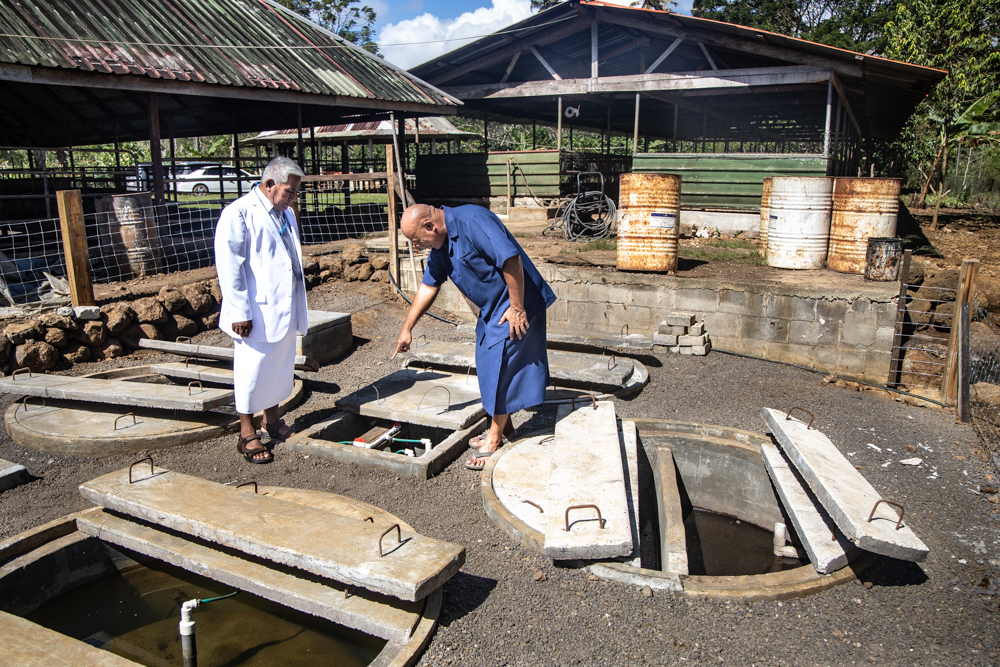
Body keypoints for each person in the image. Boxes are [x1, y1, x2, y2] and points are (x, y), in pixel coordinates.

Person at [392, 204, 556, 470]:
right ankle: (506, 429)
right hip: (493, 310)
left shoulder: (473, 220)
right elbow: (428, 285)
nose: (416, 247)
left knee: (503, 366)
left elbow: (511, 259)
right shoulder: (440, 245)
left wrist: (517, 308)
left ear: (430, 227)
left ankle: (493, 438)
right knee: (487, 364)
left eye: (416, 240)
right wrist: (407, 327)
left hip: (518, 303)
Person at [215, 156, 308, 464]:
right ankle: (247, 432)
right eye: (289, 191)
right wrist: (240, 311)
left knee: (279, 367)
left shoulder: (286, 213)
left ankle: (273, 420)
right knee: (252, 371)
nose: (294, 198)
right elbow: (231, 266)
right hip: (255, 311)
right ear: (269, 185)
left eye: (295, 192)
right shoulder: (239, 213)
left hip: (284, 305)